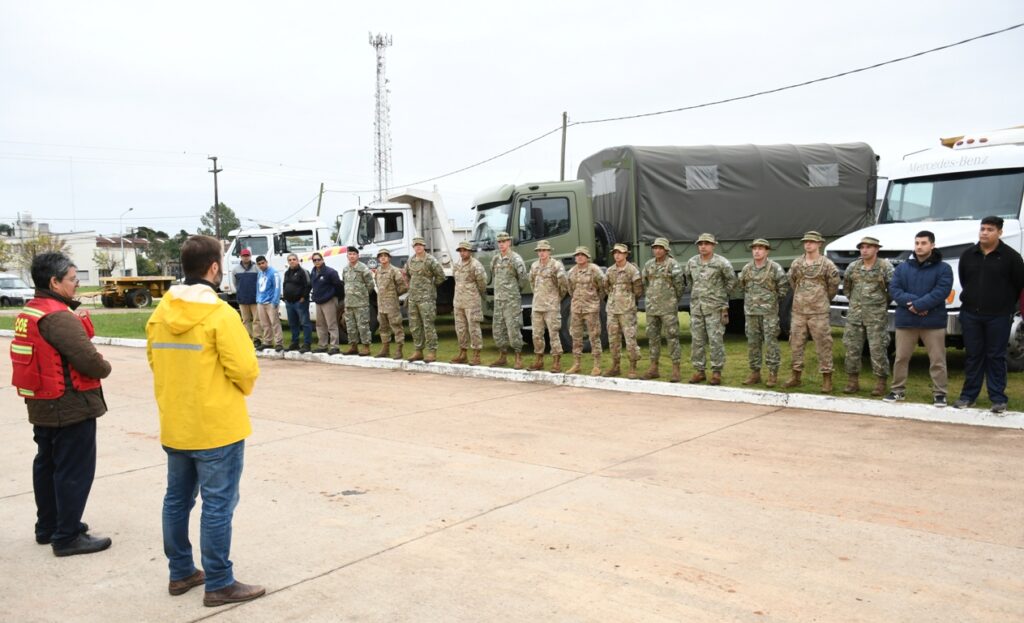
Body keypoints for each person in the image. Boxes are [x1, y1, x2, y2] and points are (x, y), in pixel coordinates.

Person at [146, 235, 264, 607]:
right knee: (217, 505)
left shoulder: (160, 312)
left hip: (176, 423)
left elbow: (154, 361)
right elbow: (245, 370)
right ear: (214, 267)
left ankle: (181, 572)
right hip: (216, 427)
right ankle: (219, 582)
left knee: (177, 501)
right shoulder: (220, 314)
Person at [10, 252, 112, 556]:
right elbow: (91, 362)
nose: (76, 285)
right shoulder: (58, 316)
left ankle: (49, 526)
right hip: (69, 406)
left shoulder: (32, 311)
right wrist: (105, 366)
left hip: (42, 403)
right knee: (73, 469)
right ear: (54, 282)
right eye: (72, 280)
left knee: (48, 464)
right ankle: (67, 536)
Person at [954, 216, 1024, 413]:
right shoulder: (968, 254)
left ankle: (998, 398)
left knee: (995, 356)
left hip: (999, 316)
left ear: (999, 232)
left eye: (990, 229)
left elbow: (1019, 283)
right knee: (973, 356)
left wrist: (1005, 305)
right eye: (982, 228)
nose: (984, 232)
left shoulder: (1011, 257)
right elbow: (965, 279)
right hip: (971, 315)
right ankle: (968, 396)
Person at [886, 231, 953, 406]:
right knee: (901, 357)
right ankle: (897, 391)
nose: (919, 246)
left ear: (932, 245)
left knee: (937, 359)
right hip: (906, 320)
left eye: (923, 243)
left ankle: (940, 393)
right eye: (917, 243)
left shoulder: (944, 268)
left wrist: (919, 306)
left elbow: (941, 292)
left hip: (933, 322)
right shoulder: (902, 268)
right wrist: (915, 305)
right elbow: (895, 290)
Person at [785, 231, 840, 393]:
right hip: (799, 311)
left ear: (819, 244)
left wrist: (821, 299)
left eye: (811, 242)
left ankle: (827, 378)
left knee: (824, 344)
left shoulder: (827, 264)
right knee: (796, 343)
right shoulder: (797, 263)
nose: (808, 244)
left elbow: (833, 287)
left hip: (819, 312)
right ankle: (796, 376)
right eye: (806, 242)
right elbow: (793, 282)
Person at [842, 237, 894, 396]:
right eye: (862, 247)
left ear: (876, 249)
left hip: (876, 317)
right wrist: (857, 304)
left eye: (869, 247)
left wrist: (879, 304)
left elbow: (892, 290)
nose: (864, 250)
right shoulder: (853, 267)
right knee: (852, 349)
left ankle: (880, 382)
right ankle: (852, 381)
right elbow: (847, 288)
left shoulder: (885, 267)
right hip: (855, 316)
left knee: (878, 349)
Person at [685, 233, 737, 385]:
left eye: (706, 243)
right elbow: (689, 280)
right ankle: (699, 371)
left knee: (715, 340)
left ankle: (716, 372)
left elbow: (731, 281)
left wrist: (720, 296)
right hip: (697, 308)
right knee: (697, 340)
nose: (703, 246)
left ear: (713, 245)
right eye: (700, 244)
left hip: (715, 308)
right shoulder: (692, 262)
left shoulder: (722, 263)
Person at [737, 239, 788, 387]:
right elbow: (741, 286)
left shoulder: (775, 268)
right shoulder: (747, 269)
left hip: (769, 313)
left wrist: (770, 302)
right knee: (753, 343)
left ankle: (773, 373)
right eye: (754, 248)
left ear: (767, 251)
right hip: (751, 312)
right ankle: (755, 373)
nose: (757, 251)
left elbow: (783, 288)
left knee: (771, 342)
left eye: (761, 248)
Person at [642, 237, 686, 381]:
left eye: (660, 248)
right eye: (655, 248)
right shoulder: (648, 265)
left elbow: (679, 286)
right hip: (652, 308)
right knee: (653, 338)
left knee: (672, 337)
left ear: (666, 250)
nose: (657, 250)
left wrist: (672, 300)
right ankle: (654, 367)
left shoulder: (673, 265)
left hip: (668, 308)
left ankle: (676, 369)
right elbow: (645, 283)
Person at [603, 242, 644, 378]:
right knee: (613, 339)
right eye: (615, 253)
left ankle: (633, 366)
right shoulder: (610, 271)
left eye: (620, 252)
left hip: (627, 310)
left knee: (630, 339)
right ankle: (616, 366)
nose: (617, 255)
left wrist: (628, 300)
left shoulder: (632, 270)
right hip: (612, 310)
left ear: (626, 254)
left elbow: (638, 290)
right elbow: (606, 288)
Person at [528, 239, 569, 372]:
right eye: (539, 251)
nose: (541, 253)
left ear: (549, 251)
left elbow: (563, 285)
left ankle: (556, 361)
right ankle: (539, 360)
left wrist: (557, 298)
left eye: (544, 250)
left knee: (553, 334)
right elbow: (532, 283)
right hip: (537, 306)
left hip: (551, 306)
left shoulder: (556, 265)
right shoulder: (534, 266)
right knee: (536, 334)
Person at [489, 231, 528, 369]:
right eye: (499, 242)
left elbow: (523, 279)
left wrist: (514, 292)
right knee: (498, 330)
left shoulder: (516, 259)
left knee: (513, 330)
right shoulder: (495, 259)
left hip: (511, 301)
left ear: (509, 242)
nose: (501, 244)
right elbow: (494, 275)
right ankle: (503, 356)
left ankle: (518, 357)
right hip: (499, 300)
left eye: (504, 242)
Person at [404, 236, 446, 363]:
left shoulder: (430, 260)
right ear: (413, 247)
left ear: (424, 246)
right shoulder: (411, 260)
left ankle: (432, 351)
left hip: (426, 299)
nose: (418, 247)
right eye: (416, 245)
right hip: (413, 299)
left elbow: (441, 276)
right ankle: (418, 351)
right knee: (415, 326)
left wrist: (430, 287)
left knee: (428, 325)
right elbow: (407, 275)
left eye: (420, 245)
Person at [566, 246, 606, 375]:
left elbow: (602, 287)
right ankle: (577, 364)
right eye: (577, 255)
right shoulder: (572, 271)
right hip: (577, 308)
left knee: (594, 336)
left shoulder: (594, 270)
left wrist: (594, 300)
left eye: (582, 255)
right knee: (576, 336)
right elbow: (570, 289)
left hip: (591, 308)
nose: (579, 257)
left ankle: (597, 365)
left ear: (587, 257)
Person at [451, 241, 487, 365]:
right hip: (458, 301)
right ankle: (463, 353)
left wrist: (476, 294)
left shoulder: (476, 265)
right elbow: (455, 280)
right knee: (460, 328)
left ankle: (477, 354)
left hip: (472, 302)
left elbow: (482, 283)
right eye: (460, 250)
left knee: (474, 328)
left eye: (464, 250)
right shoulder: (457, 264)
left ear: (470, 251)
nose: (462, 253)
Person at [373, 248, 407, 359]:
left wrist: (394, 295)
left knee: (396, 326)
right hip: (381, 305)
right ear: (378, 258)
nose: (383, 257)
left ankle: (399, 350)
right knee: (383, 327)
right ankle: (385, 349)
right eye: (380, 256)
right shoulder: (378, 271)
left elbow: (403, 286)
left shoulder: (394, 271)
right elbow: (378, 286)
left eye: (385, 255)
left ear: (389, 258)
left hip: (392, 305)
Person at [342, 248, 375, 356]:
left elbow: (370, 285)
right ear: (347, 256)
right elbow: (345, 283)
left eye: (354, 254)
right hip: (349, 303)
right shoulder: (346, 269)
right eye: (350, 254)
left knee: (363, 326)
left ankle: (366, 347)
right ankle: (353, 346)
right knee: (350, 326)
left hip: (361, 303)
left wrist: (363, 295)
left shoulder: (363, 268)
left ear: (358, 256)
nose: (352, 256)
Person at [309, 251, 342, 356]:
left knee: (331, 324)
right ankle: (322, 345)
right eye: (314, 260)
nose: (317, 262)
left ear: (323, 260)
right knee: (320, 324)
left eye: (319, 259)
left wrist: (333, 296)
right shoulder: (313, 272)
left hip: (329, 301)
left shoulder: (330, 272)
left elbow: (338, 286)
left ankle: (334, 346)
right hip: (318, 301)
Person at [281, 253, 312, 353]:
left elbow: (308, 285)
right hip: (289, 302)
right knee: (293, 323)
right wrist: (285, 297)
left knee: (305, 323)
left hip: (300, 302)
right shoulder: (287, 273)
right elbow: (285, 285)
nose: (292, 261)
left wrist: (303, 297)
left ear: (298, 260)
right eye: (290, 260)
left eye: (294, 259)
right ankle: (295, 343)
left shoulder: (304, 272)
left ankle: (307, 344)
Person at [254, 255, 283, 352]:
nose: (261, 265)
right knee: (264, 324)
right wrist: (258, 299)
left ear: (266, 262)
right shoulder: (260, 274)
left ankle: (279, 343)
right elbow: (258, 287)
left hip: (271, 302)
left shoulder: (273, 273)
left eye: (263, 263)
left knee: (275, 323)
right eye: (259, 264)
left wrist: (275, 301)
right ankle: (268, 342)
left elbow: (277, 287)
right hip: (261, 302)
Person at [232, 248, 261, 346]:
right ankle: (248, 338)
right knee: (245, 320)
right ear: (241, 257)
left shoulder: (256, 267)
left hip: (255, 298)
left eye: (247, 255)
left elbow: (260, 282)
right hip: (242, 298)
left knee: (257, 320)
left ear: (250, 256)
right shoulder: (235, 269)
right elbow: (235, 284)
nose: (245, 257)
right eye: (244, 256)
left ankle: (257, 339)